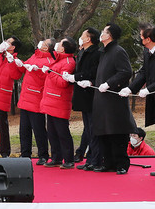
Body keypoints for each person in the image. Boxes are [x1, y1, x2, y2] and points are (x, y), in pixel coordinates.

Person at [91, 23, 136, 174]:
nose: (101, 34)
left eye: (104, 32)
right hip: (101, 99)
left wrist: (109, 84)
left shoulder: (118, 51)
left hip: (113, 99)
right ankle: (107, 162)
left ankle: (121, 163)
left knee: (117, 132)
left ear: (109, 35)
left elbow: (125, 72)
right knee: (104, 131)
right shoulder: (104, 52)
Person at [124, 25, 155, 176]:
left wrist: (150, 89)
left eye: (141, 37)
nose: (140, 39)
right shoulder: (147, 51)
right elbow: (144, 71)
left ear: (148, 39)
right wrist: (131, 88)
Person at [40, 37, 78, 168]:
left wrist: (50, 72)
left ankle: (68, 159)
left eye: (60, 43)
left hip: (59, 100)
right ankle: (56, 157)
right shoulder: (59, 59)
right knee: (52, 132)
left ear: (63, 48)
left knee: (62, 132)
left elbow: (63, 82)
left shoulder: (69, 61)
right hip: (51, 100)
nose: (57, 45)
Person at [17, 38, 54, 163]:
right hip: (25, 97)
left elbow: (46, 76)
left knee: (38, 129)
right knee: (24, 129)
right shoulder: (34, 55)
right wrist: (18, 62)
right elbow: (25, 66)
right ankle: (25, 153)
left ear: (47, 47)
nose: (41, 43)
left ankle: (43, 155)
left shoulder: (50, 60)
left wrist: (35, 68)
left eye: (44, 43)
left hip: (36, 98)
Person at [72, 28, 101, 170]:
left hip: (91, 95)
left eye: (83, 35)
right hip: (83, 95)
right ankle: (90, 158)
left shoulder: (96, 53)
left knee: (93, 128)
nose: (81, 37)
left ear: (89, 39)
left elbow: (93, 72)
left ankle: (95, 158)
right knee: (88, 128)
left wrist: (79, 78)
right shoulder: (82, 52)